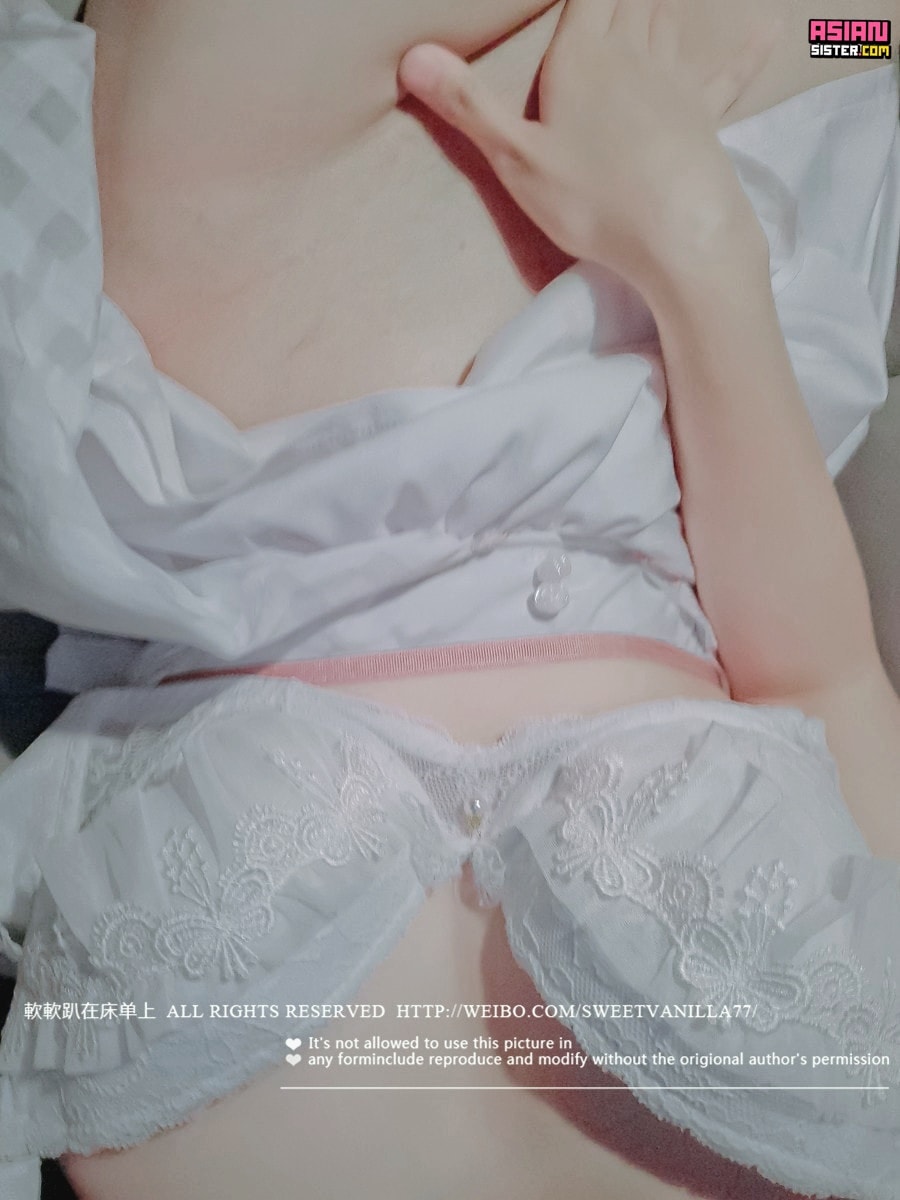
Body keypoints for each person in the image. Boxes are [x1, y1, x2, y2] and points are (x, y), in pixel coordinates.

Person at [0, 0, 898, 1198]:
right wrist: (692, 243)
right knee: (856, 28)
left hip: (231, 418)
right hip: (654, 357)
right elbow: (820, 679)